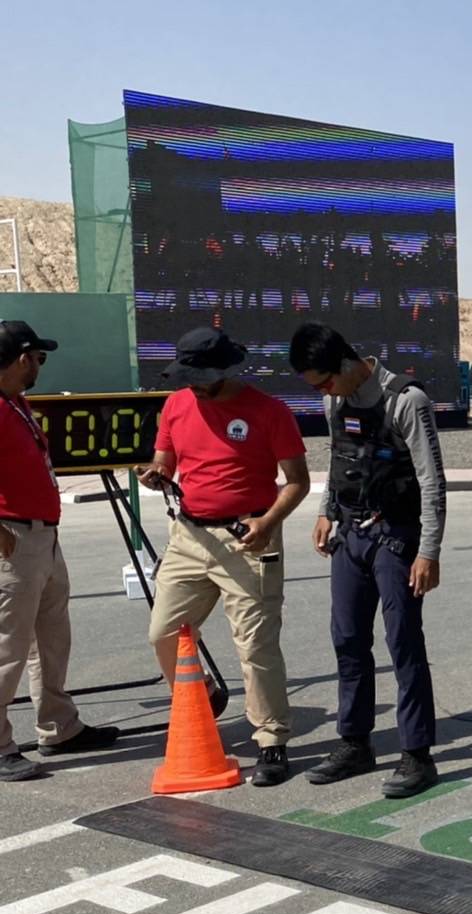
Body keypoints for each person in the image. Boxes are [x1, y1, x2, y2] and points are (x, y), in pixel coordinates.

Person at [137, 327, 308, 786]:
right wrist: (156, 473)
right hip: (189, 537)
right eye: (187, 376)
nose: (192, 385)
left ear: (227, 370)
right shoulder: (176, 405)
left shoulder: (269, 412)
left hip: (248, 538)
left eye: (200, 377)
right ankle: (202, 694)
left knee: (255, 645)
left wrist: (266, 524)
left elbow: (297, 481)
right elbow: (164, 461)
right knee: (162, 632)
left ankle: (271, 740)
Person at [290, 322, 447, 798]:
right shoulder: (335, 400)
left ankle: (417, 755)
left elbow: (432, 482)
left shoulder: (406, 401)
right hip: (350, 535)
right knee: (348, 640)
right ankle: (354, 743)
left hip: (397, 537)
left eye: (323, 382)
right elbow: (339, 459)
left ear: (344, 365)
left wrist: (429, 551)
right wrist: (324, 511)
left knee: (403, 642)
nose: (322, 393)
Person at [0, 321, 120, 781]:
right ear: (18, 359)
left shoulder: (15, 403)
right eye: (37, 358)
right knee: (7, 646)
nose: (40, 367)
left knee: (50, 640)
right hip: (14, 538)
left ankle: (59, 726)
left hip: (42, 537)